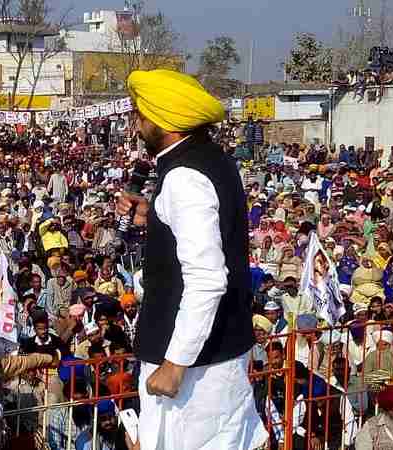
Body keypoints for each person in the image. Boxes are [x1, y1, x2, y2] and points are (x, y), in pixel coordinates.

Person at [120, 69, 267, 449]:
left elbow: (206, 278)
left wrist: (174, 365)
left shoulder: (183, 177)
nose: (136, 126)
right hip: (217, 360)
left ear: (162, 119)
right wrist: (153, 214)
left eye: (139, 115)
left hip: (194, 377)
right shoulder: (211, 160)